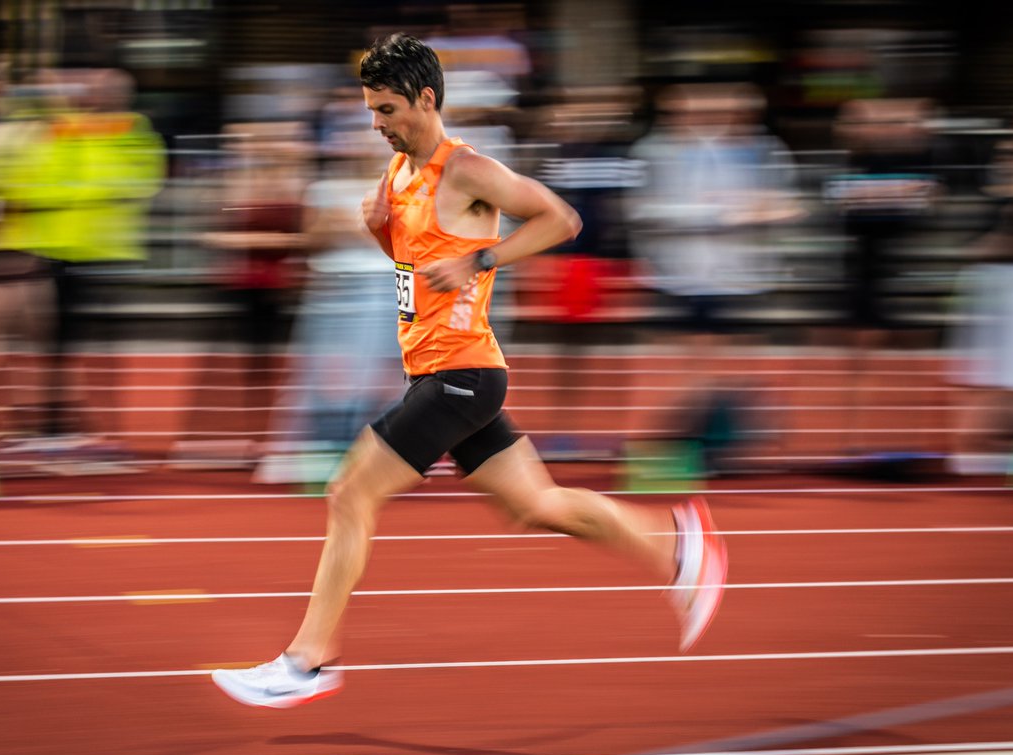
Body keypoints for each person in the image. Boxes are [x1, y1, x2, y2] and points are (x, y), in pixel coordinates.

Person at [212, 33, 728, 709]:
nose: (377, 123)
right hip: (445, 372)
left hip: (461, 374)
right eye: (371, 110)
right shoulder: (397, 174)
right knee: (536, 506)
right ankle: (679, 549)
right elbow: (414, 268)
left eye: (387, 109)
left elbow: (560, 219)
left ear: (426, 100)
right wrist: (378, 229)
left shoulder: (467, 169)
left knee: (349, 494)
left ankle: (306, 661)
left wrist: (481, 260)